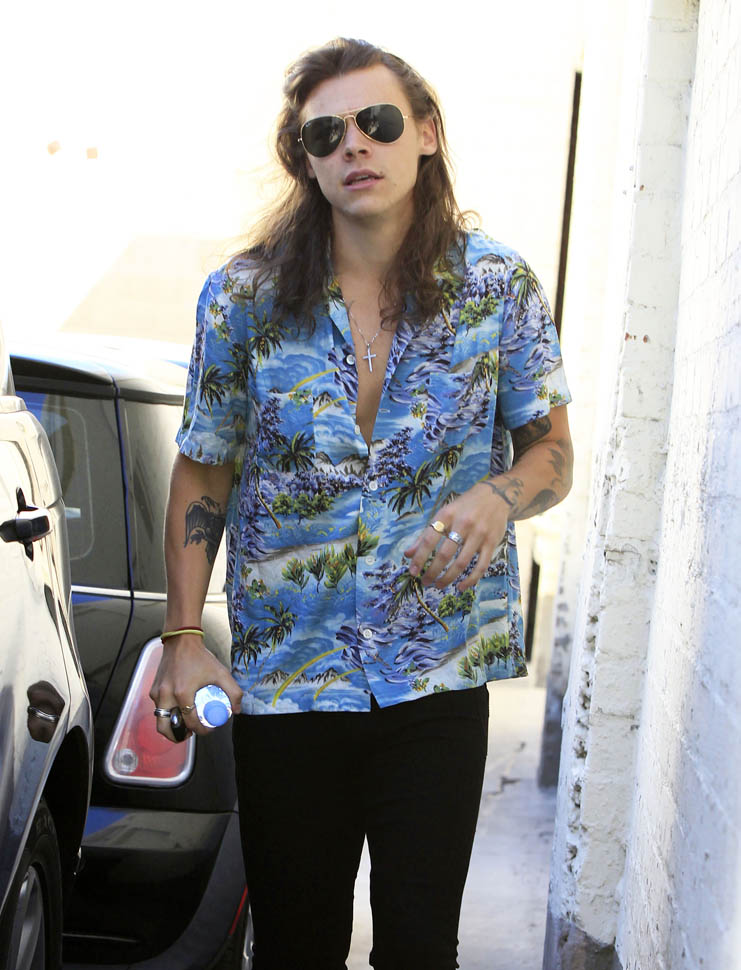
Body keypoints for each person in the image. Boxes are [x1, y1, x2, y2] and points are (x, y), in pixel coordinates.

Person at [151, 37, 573, 970]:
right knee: (294, 947)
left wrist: (499, 495)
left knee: (420, 949)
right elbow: (203, 472)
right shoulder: (243, 298)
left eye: (376, 122)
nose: (354, 145)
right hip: (289, 677)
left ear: (424, 133)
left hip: (435, 674)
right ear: (303, 159)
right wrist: (181, 639)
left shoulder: (496, 288)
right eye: (324, 134)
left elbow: (553, 453)